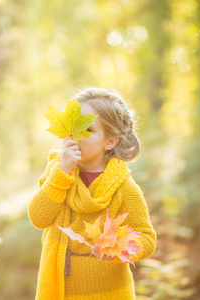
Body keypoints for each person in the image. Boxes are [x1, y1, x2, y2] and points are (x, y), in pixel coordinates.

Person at [27, 87, 157, 300]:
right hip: (60, 289)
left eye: (86, 129)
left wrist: (119, 249)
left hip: (111, 293)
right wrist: (62, 174)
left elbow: (147, 238)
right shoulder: (56, 172)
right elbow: (38, 218)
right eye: (72, 127)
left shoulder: (123, 187)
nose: (75, 136)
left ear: (110, 141)